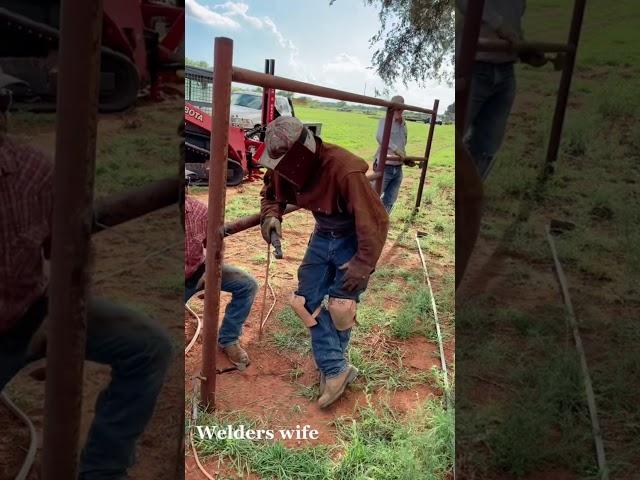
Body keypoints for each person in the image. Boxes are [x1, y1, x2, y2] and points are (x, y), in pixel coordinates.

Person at [0, 83, 173, 480]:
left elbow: (71, 250)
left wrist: (61, 318)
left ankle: (102, 471)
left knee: (148, 348)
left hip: (33, 312)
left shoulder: (32, 172)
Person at [259, 116, 389, 408]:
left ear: (302, 154)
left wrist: (362, 263)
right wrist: (271, 215)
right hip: (322, 234)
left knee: (342, 307)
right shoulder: (285, 164)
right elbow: (269, 192)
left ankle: (333, 368)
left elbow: (375, 220)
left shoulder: (344, 170)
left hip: (351, 237)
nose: (280, 170)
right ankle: (336, 368)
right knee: (304, 302)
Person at [457, 0, 547, 179]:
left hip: (505, 71)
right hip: (472, 67)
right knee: (455, 135)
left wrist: (524, 50)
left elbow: (513, 27)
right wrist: (499, 25)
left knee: (487, 147)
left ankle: (469, 198)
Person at [183, 194, 258, 369]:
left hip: (198, 271)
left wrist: (210, 272)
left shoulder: (199, 211)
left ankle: (228, 339)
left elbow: (216, 245)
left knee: (247, 286)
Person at [373, 95, 409, 213]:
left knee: (390, 200)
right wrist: (396, 150)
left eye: (401, 106)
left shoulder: (404, 124)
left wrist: (404, 157)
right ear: (391, 107)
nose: (399, 109)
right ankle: (367, 225)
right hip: (385, 165)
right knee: (373, 197)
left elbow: (403, 143)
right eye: (396, 106)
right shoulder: (384, 121)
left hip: (398, 167)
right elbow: (380, 137)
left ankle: (382, 224)